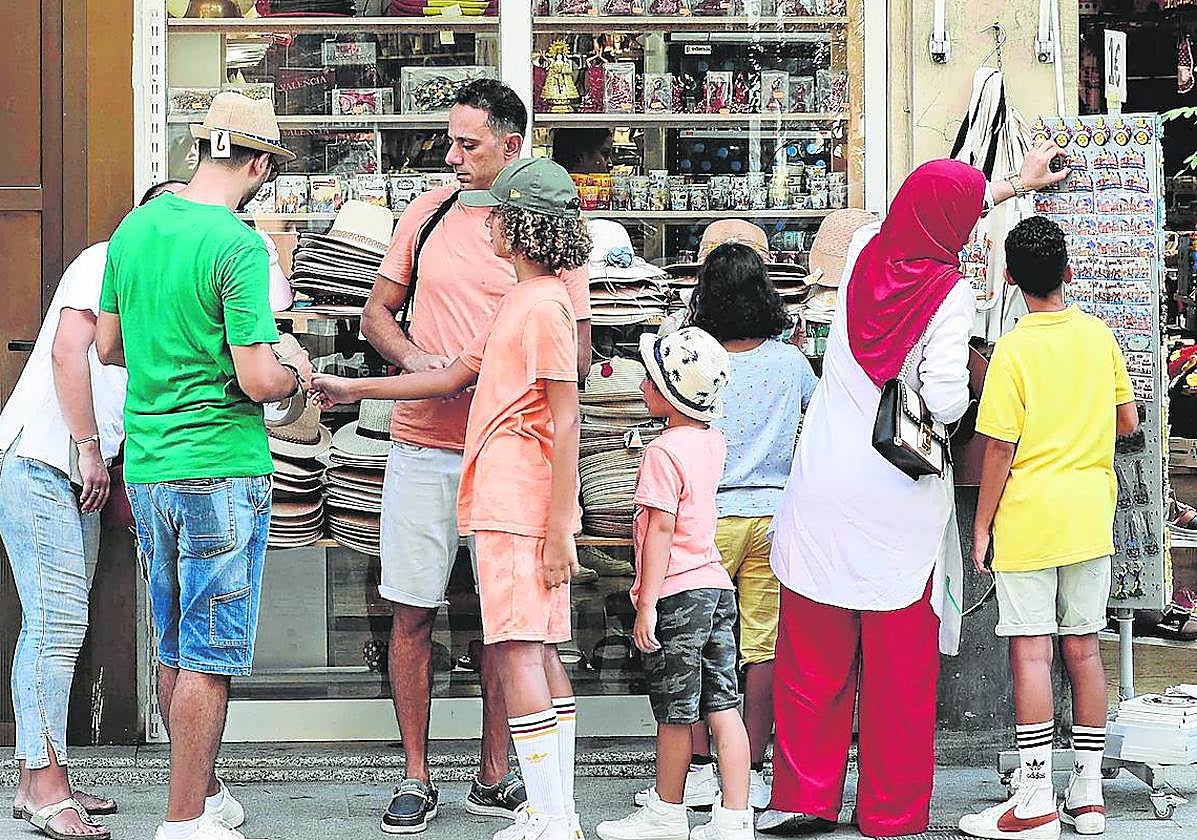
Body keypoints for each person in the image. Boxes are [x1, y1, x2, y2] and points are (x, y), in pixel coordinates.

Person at [759, 148, 1068, 839]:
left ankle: (803, 798)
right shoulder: (949, 293)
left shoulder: (862, 252)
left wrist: (1010, 185)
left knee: (812, 658)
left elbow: (925, 211)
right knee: (898, 672)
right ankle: (890, 811)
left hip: (822, 488)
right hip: (896, 499)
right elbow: (946, 397)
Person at [313, 157, 590, 840]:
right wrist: (352, 389)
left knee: (521, 651)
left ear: (521, 227)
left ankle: (551, 815)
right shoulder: (525, 301)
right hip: (507, 494)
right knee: (536, 651)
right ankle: (553, 810)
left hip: (517, 498)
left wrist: (562, 523)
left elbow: (566, 417)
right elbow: (448, 379)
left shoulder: (541, 306)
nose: (486, 223)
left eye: (499, 215)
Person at [96, 92, 313, 840]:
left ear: (199, 151)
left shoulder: (135, 229)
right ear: (259, 166)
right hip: (220, 461)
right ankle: (184, 820)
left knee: (173, 640)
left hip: (149, 463)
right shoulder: (237, 245)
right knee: (208, 654)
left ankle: (205, 795)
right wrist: (294, 372)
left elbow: (107, 347)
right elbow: (257, 379)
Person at [0, 181, 180, 840]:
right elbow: (64, 351)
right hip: (43, 461)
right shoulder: (106, 258)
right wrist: (89, 449)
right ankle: (46, 790)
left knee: (58, 625)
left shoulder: (159, 285)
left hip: (76, 473)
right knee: (55, 626)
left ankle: (39, 782)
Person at [957, 217, 1138, 840]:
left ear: (1009, 278)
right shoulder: (1098, 337)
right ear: (1069, 271)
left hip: (1029, 518)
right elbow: (1127, 421)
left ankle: (1034, 797)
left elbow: (998, 447)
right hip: (1089, 515)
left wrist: (982, 527)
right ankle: (1088, 795)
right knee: (1084, 650)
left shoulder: (1012, 351)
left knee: (1032, 652)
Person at [634, 242, 818, 814]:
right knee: (761, 648)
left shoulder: (700, 360)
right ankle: (751, 769)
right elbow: (815, 421)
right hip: (774, 517)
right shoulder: (790, 362)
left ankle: (693, 770)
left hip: (704, 521)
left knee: (688, 648)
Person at [596, 325, 753, 840]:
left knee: (674, 711)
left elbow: (660, 529)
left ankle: (666, 811)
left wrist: (645, 604)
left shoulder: (662, 452)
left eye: (650, 378)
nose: (642, 384)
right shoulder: (712, 441)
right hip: (715, 586)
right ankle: (735, 818)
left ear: (669, 393)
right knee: (723, 706)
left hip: (677, 593)